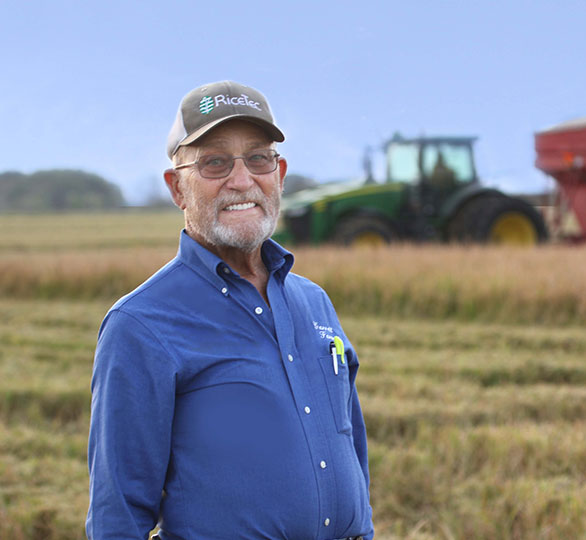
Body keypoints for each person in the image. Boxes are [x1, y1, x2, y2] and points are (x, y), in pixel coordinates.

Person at [86, 81, 374, 540]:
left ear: (278, 174)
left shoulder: (314, 302)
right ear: (177, 188)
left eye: (258, 158)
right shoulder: (140, 325)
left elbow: (353, 451)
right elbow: (117, 512)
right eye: (214, 162)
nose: (242, 181)